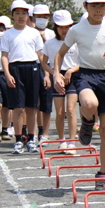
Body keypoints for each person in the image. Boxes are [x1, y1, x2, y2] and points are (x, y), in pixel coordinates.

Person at [54, 0, 105, 191]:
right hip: (86, 75)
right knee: (89, 103)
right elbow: (60, 54)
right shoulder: (77, 29)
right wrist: (55, 74)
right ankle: (87, 122)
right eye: (94, 5)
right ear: (86, 5)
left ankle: (103, 172)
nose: (99, 10)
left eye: (103, 5)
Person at [1, 0, 44, 154]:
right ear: (12, 15)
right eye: (17, 13)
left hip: (32, 67)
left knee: (32, 107)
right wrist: (7, 74)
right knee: (18, 107)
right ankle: (19, 140)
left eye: (24, 13)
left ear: (28, 15)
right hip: (15, 68)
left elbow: (41, 55)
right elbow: (4, 56)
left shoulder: (34, 33)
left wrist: (45, 74)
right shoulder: (8, 34)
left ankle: (31, 139)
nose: (21, 16)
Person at [42, 10, 79, 154]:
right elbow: (44, 63)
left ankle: (71, 142)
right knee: (59, 112)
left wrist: (71, 71)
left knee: (70, 110)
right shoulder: (50, 43)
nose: (65, 30)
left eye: (68, 26)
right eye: (61, 27)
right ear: (55, 27)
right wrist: (55, 74)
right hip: (57, 77)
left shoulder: (76, 42)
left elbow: (82, 62)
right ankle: (62, 140)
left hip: (73, 76)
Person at [33, 4, 55, 146]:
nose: (42, 19)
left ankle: (45, 134)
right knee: (33, 104)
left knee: (46, 103)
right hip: (32, 68)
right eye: (39, 17)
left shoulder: (52, 34)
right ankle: (33, 133)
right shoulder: (29, 32)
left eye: (45, 17)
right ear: (33, 17)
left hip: (49, 68)